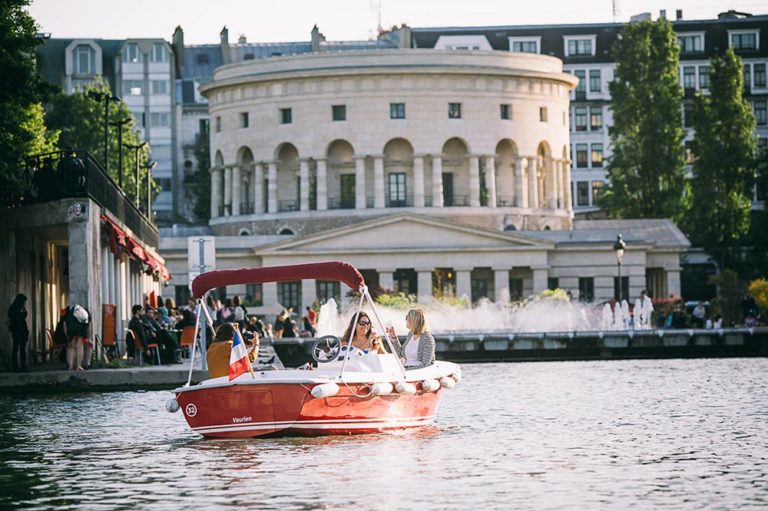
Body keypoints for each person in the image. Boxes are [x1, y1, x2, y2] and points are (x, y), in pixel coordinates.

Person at [64, 304, 91, 371]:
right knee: (80, 346)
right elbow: (89, 327)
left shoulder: (70, 312)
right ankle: (78, 366)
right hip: (81, 328)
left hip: (71, 328)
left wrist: (67, 334)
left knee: (73, 346)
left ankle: (71, 365)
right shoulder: (86, 312)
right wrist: (88, 336)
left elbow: (64, 324)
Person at [7, 294, 29, 372]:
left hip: (22, 330)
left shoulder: (21, 308)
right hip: (16, 330)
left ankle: (23, 366)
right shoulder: (14, 308)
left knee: (22, 348)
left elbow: (24, 315)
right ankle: (15, 366)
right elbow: (15, 317)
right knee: (16, 348)